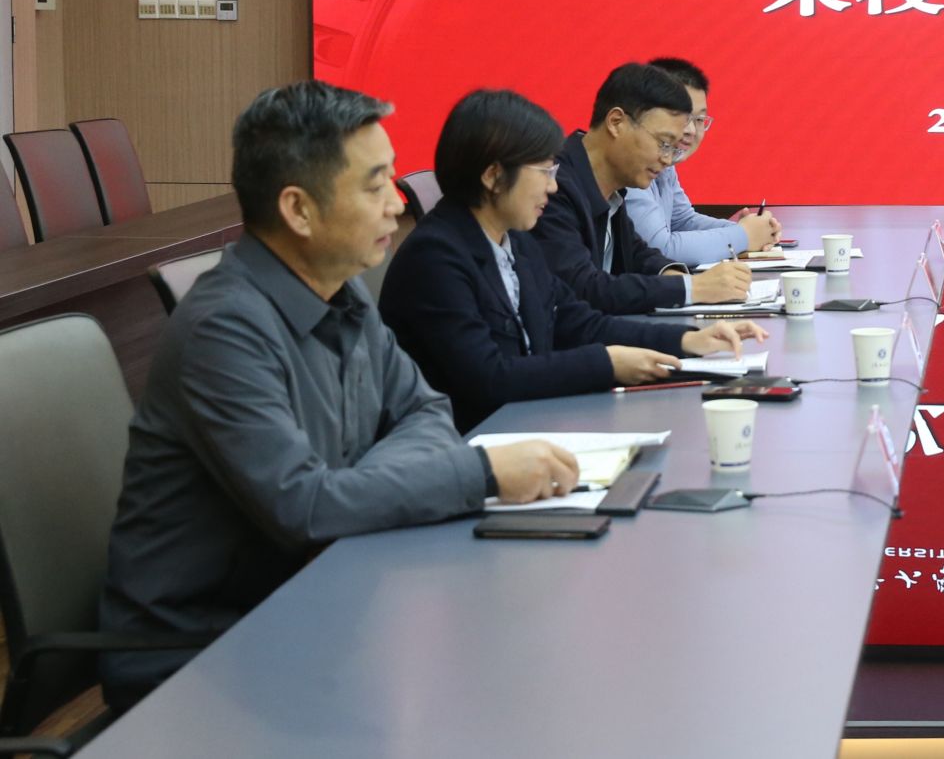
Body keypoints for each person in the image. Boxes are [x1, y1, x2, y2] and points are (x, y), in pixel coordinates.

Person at [99, 83, 579, 711]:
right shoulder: (225, 329)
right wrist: (482, 474)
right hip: (201, 656)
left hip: (320, 597)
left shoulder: (340, 291)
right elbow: (303, 507)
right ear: (299, 210)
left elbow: (424, 410)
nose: (396, 206)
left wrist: (350, 489)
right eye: (374, 187)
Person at [381, 89, 769, 431]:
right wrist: (606, 364)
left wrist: (687, 340)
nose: (552, 185)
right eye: (544, 171)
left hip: (525, 426)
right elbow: (490, 379)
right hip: (471, 446)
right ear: (494, 176)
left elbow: (576, 321)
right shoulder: (436, 258)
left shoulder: (514, 239)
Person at [531, 62, 753, 314]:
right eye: (663, 143)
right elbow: (582, 289)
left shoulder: (612, 187)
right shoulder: (553, 188)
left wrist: (677, 277)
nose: (667, 160)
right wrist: (693, 288)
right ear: (616, 122)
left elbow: (639, 254)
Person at [625, 57, 781, 266]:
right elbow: (661, 249)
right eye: (681, 117)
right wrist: (743, 236)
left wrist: (750, 230)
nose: (691, 130)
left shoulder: (665, 162)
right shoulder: (629, 166)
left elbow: (682, 221)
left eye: (699, 120)